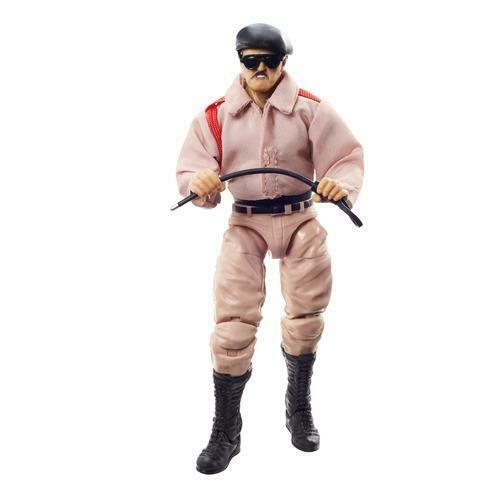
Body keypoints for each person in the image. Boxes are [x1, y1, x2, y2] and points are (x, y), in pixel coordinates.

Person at [176, 23, 364, 474]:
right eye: (251, 61)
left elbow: (346, 157)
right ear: (239, 61)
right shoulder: (217, 116)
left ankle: (298, 407)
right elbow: (194, 167)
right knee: (232, 321)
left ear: (284, 62)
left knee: (306, 314)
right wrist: (199, 182)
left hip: (300, 219)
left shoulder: (310, 109)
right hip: (246, 222)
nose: (260, 69)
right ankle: (226, 428)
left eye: (270, 61)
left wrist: (339, 184)